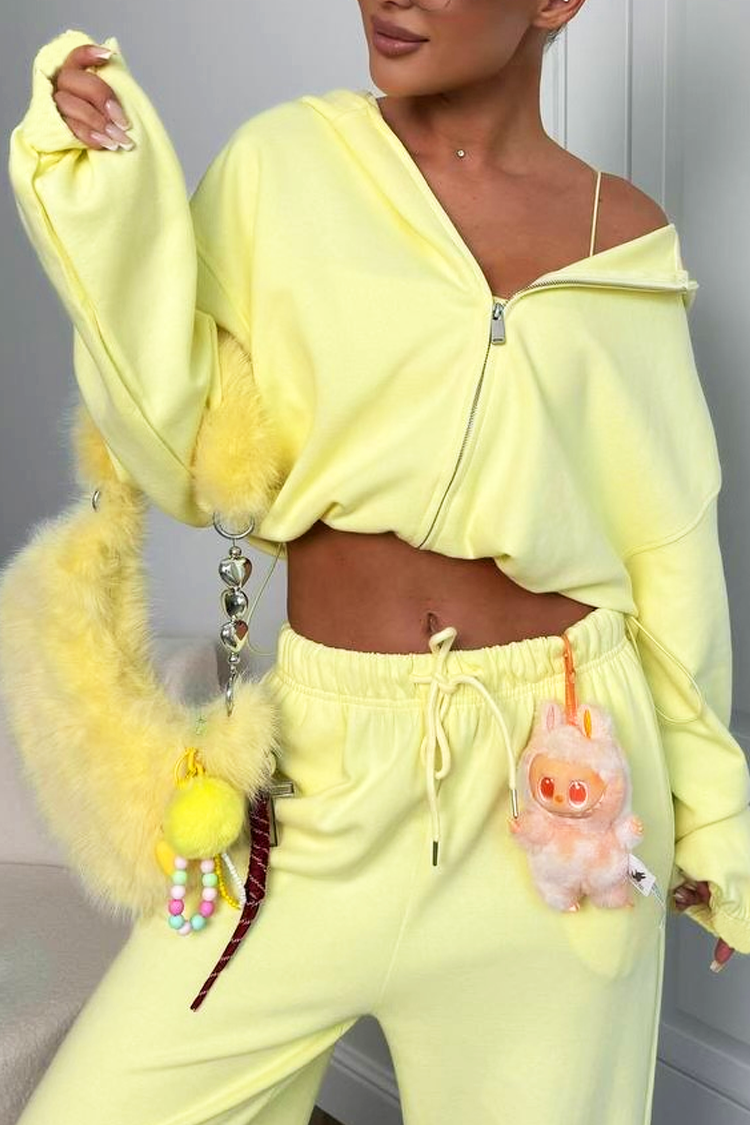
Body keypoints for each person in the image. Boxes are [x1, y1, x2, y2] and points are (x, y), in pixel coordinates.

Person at [6, 2, 750, 1122]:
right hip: (322, 776)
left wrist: (716, 827)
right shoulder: (285, 165)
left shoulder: (626, 239)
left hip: (563, 790)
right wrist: (107, 199)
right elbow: (176, 436)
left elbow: (671, 542)